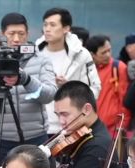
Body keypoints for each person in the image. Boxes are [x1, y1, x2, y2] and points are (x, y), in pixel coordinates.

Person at [0, 13, 57, 168]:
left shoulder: (41, 60)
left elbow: (49, 95)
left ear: (27, 34)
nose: (16, 39)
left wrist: (26, 79)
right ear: (2, 34)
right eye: (11, 34)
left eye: (21, 34)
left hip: (35, 136)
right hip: (2, 138)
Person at [36, 8, 102, 136]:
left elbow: (95, 89)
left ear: (66, 28)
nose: (47, 29)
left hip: (72, 128)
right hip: (39, 128)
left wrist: (70, 87)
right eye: (45, 24)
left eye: (53, 25)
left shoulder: (81, 54)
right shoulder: (35, 53)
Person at [86, 35, 132, 133]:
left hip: (113, 129)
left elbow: (124, 101)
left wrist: (122, 127)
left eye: (109, 50)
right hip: (90, 128)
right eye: (103, 52)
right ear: (92, 54)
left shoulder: (118, 67)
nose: (108, 55)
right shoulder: (86, 70)